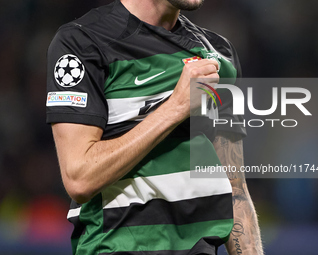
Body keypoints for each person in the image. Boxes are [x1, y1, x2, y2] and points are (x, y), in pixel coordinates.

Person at [46, 0, 263, 254]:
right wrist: (175, 108)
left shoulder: (219, 55)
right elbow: (79, 177)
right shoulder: (82, 41)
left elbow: (235, 190)